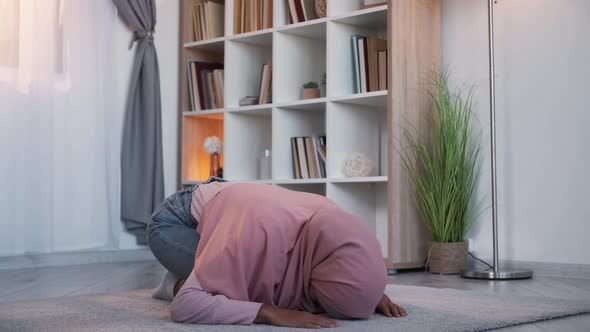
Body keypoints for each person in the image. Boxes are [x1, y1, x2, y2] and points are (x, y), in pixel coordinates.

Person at [147, 177, 407, 328]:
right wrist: (269, 313)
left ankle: (195, 271)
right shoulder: (252, 236)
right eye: (317, 300)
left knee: (245, 270)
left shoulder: (330, 220)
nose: (313, 306)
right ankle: (174, 283)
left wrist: (365, 286)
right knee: (227, 284)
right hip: (176, 220)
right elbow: (185, 308)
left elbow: (347, 250)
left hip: (233, 205)